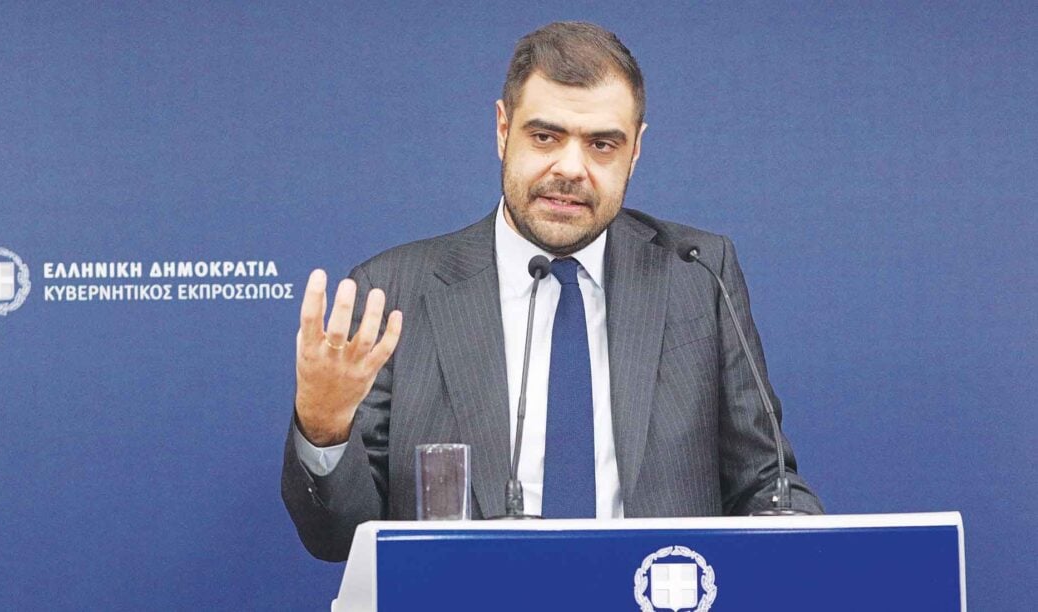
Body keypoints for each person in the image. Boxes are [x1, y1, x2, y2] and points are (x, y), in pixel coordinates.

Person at [282, 21, 822, 562]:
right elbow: (338, 538)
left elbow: (765, 483)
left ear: (635, 150)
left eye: (602, 145)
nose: (570, 168)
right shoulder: (395, 291)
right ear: (503, 130)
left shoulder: (698, 275)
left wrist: (813, 548)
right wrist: (324, 427)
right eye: (545, 137)